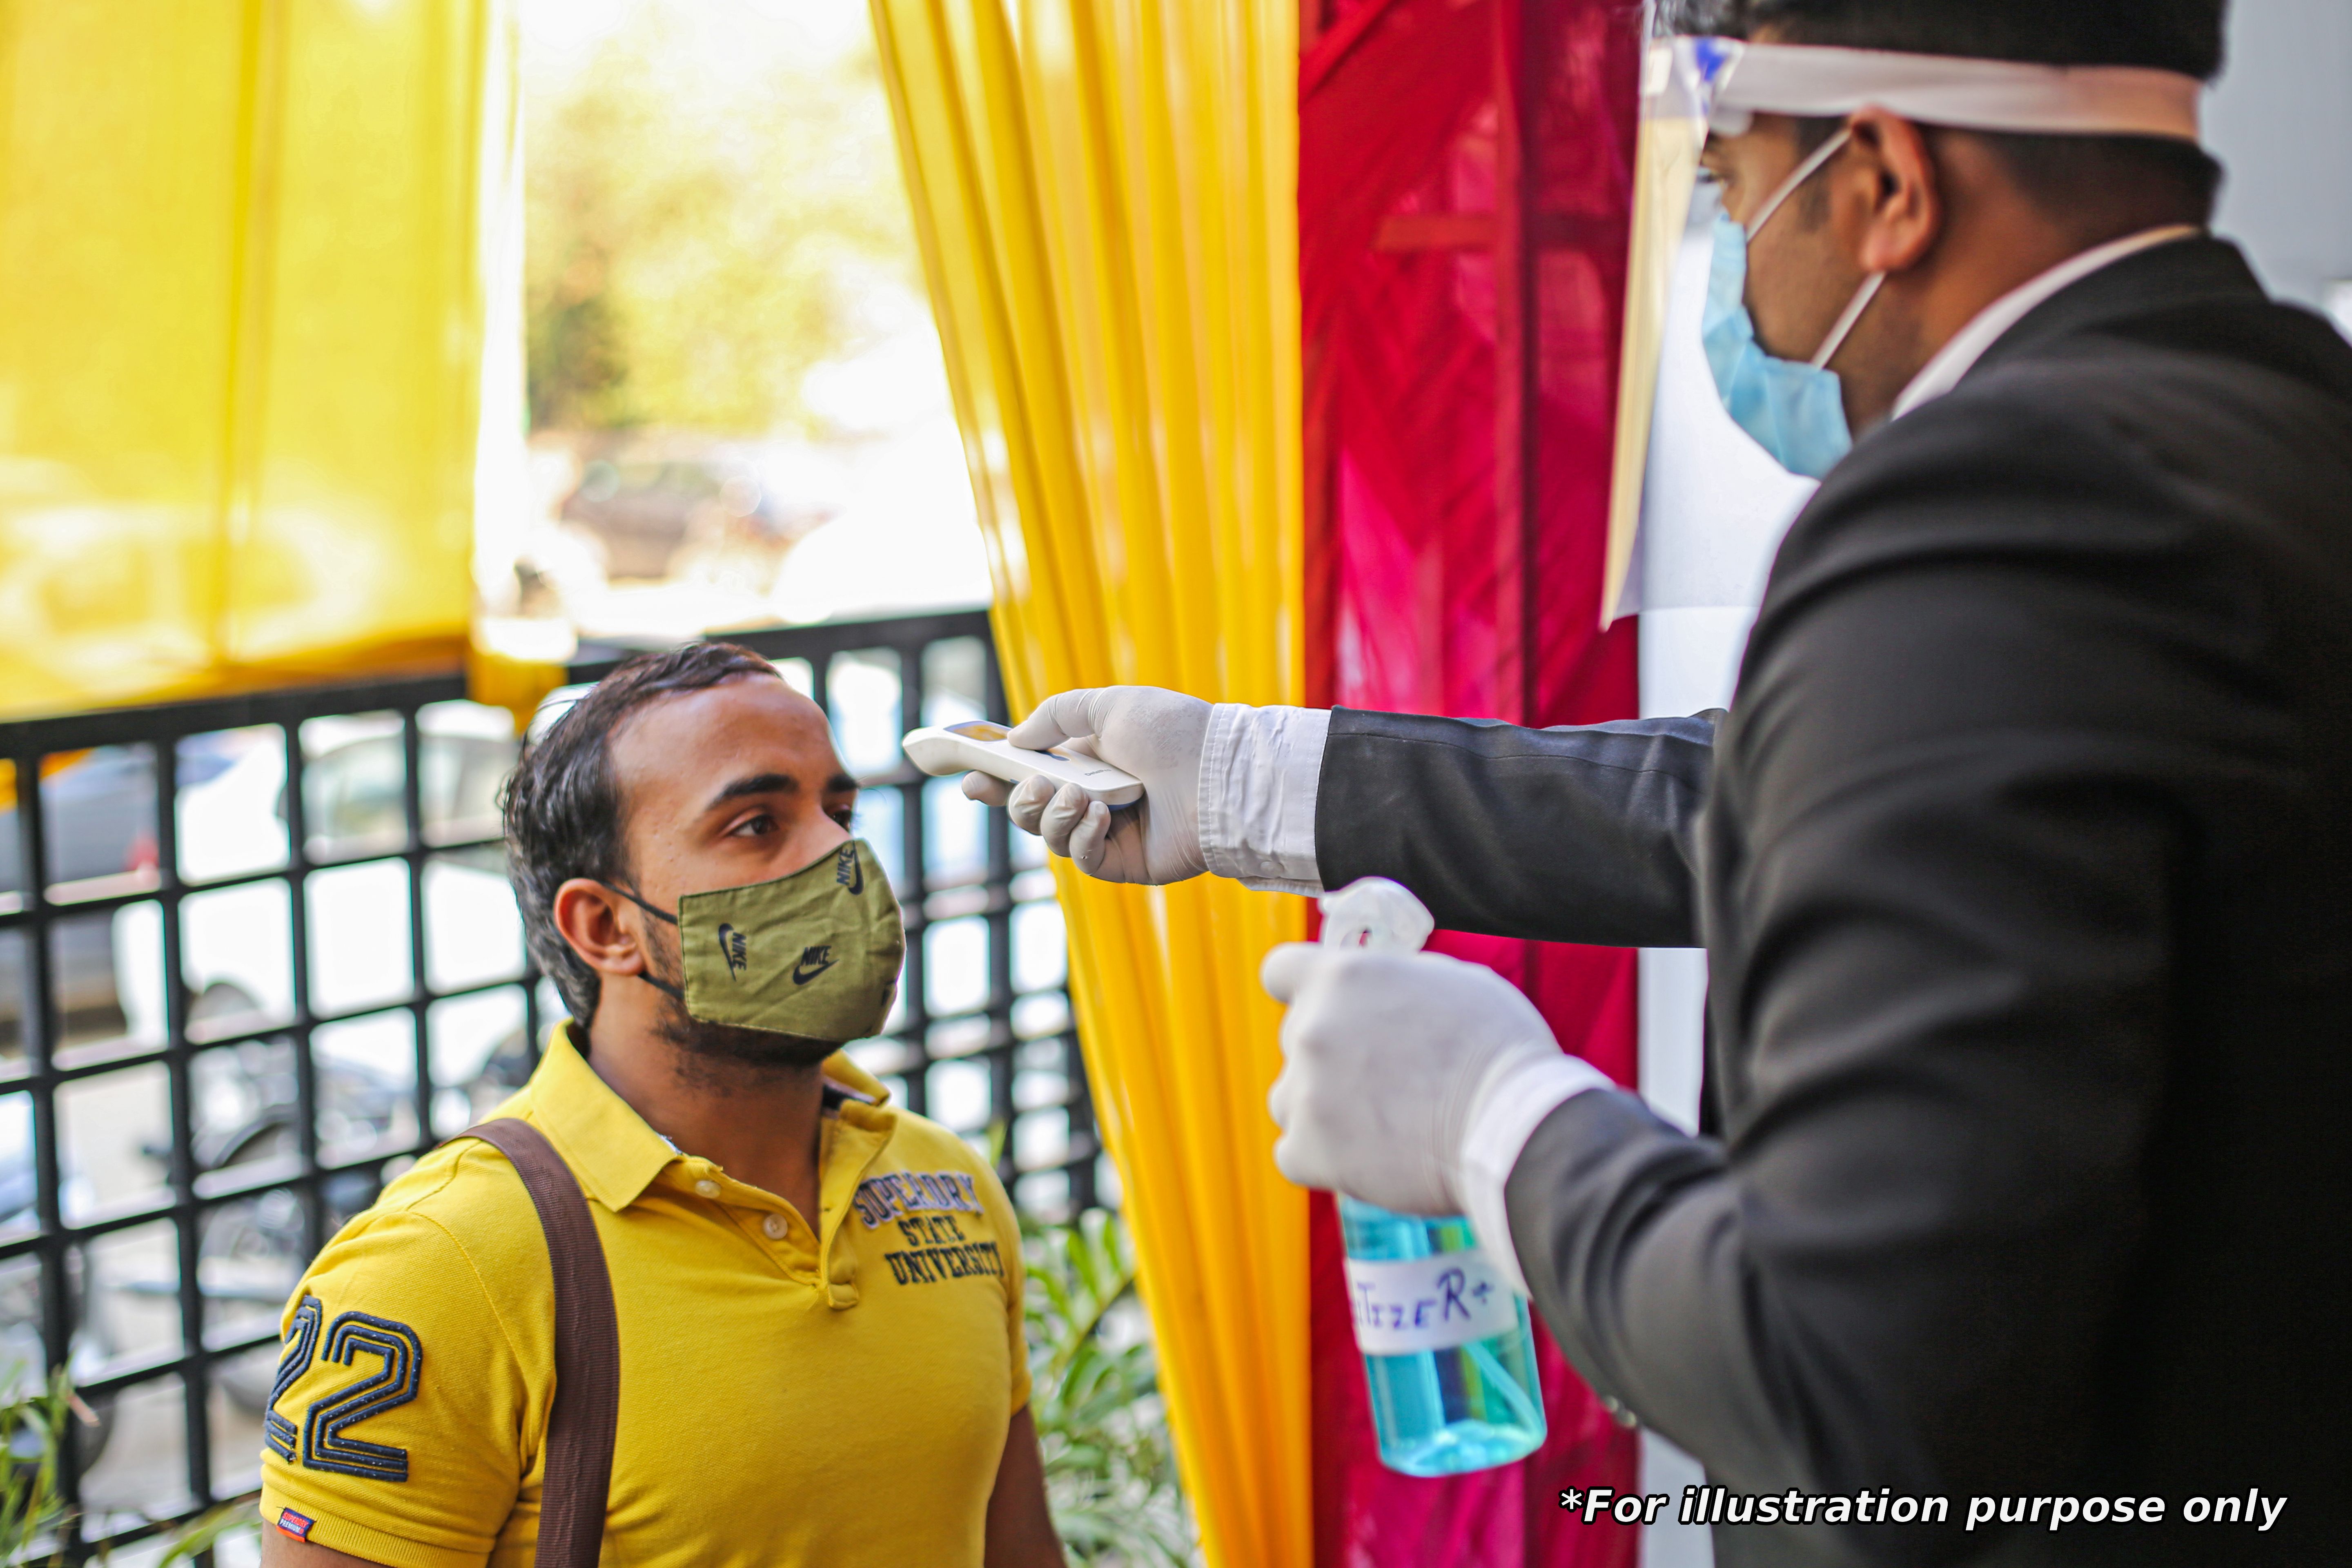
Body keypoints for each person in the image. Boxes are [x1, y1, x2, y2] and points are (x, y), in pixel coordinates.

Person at [966, 1, 2352, 1561]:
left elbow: (1854, 1387)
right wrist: (1245, 776)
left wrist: (1492, 1118)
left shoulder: (1999, 499)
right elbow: (1802, 801)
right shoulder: (2293, 421)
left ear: (1884, 178)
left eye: (1732, 179)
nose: (1731, 256)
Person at [259, 644, 1064, 1567]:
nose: (843, 857)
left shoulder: (944, 1182)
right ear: (606, 927)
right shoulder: (440, 1269)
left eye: (839, 811)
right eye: (757, 823)